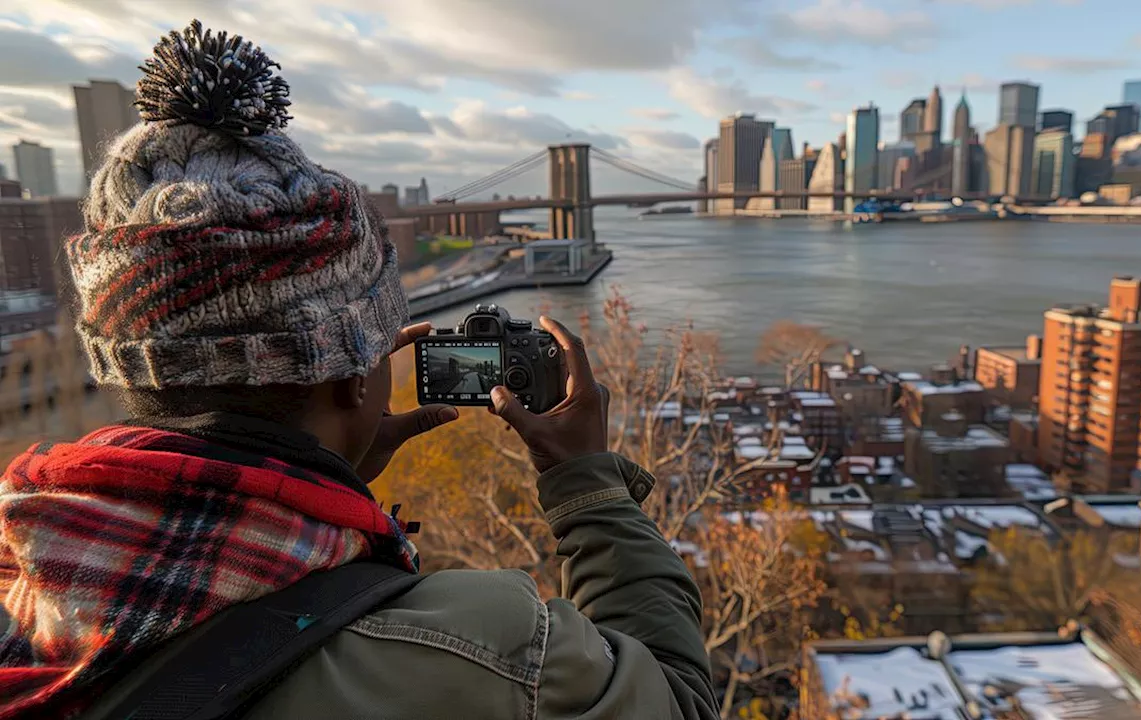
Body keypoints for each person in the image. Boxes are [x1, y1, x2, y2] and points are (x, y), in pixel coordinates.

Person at [0, 20, 715, 720]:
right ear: (351, 377)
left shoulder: (19, 573)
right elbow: (678, 699)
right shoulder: (488, 656)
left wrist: (326, 486)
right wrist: (588, 487)